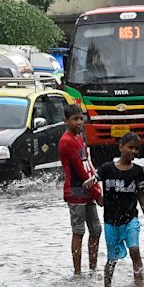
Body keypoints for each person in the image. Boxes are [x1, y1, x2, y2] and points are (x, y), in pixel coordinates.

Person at [85, 132, 144, 287]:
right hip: (111, 222)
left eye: (137, 149)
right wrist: (97, 195)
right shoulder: (107, 168)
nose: (134, 151)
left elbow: (141, 197)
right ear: (121, 147)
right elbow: (93, 181)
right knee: (112, 259)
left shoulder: (137, 171)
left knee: (134, 250)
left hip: (130, 220)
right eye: (130, 147)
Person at [58, 104, 103, 276]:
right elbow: (80, 170)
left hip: (88, 190)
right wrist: (97, 193)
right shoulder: (67, 141)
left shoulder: (79, 137)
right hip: (76, 192)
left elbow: (88, 165)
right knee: (78, 232)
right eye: (75, 119)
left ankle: (92, 268)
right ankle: (78, 272)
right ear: (66, 121)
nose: (79, 122)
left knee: (96, 230)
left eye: (81, 119)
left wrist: (96, 188)